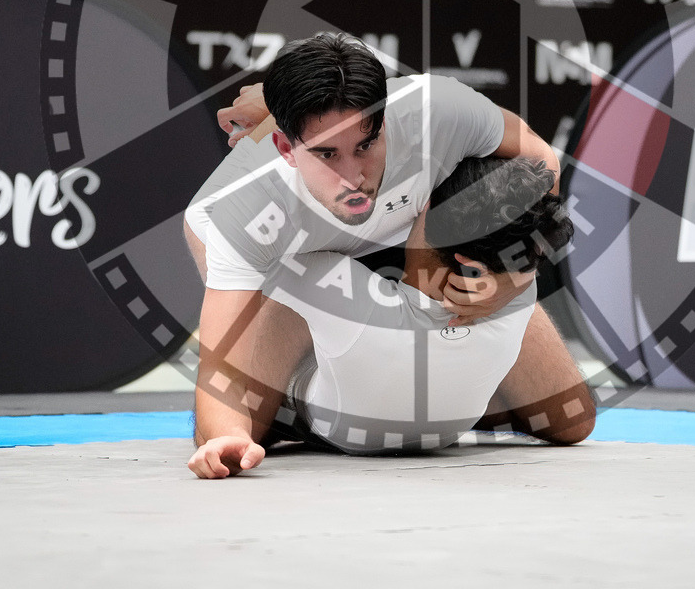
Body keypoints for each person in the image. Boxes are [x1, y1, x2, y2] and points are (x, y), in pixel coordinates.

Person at [184, 33, 595, 477]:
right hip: (290, 253)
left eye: (366, 145)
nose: (353, 178)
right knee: (239, 426)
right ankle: (301, 411)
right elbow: (218, 363)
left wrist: (510, 276)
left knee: (570, 419)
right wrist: (226, 433)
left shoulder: (439, 111)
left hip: (400, 235)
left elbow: (541, 172)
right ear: (286, 148)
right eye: (327, 154)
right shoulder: (245, 210)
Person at [188, 156, 575, 475]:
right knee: (573, 417)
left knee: (271, 301)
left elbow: (226, 243)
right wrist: (518, 277)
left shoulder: (333, 281)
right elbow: (527, 233)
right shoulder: (521, 289)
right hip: (447, 427)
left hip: (337, 426)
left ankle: (232, 432)